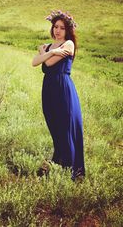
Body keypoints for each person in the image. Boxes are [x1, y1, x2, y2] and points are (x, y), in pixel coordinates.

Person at [32, 10, 85, 181]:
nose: (58, 30)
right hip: (48, 90)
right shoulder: (50, 47)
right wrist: (53, 51)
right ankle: (59, 163)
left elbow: (46, 62)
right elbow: (34, 62)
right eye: (55, 27)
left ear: (67, 30)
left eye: (62, 28)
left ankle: (71, 172)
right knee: (55, 129)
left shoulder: (69, 44)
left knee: (66, 129)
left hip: (63, 90)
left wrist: (45, 53)